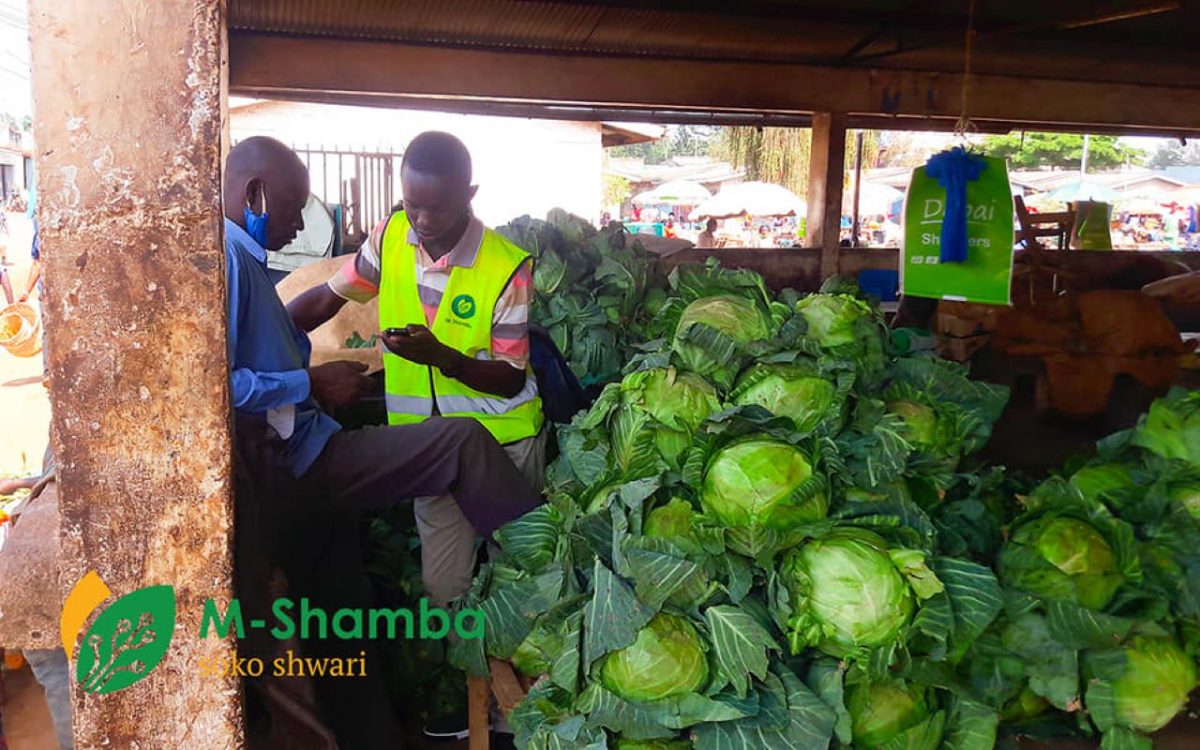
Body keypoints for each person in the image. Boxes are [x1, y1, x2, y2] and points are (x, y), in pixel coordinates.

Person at [224, 136, 543, 748]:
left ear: (468, 198)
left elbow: (509, 375)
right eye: (411, 206)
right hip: (410, 455)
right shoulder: (385, 238)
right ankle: (461, 698)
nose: (420, 221)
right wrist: (298, 360)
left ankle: (521, 705)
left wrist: (440, 357)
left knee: (523, 580)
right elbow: (326, 298)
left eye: (436, 210)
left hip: (506, 444)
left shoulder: (506, 265)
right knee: (444, 589)